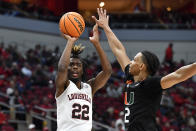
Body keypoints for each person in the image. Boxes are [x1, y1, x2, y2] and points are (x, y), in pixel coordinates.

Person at [92, 8, 196, 131]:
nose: (130, 62)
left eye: (134, 60)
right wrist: (106, 28)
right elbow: (118, 50)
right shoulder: (130, 77)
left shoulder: (151, 84)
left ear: (141, 67)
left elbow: (179, 75)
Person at [55, 24, 112, 131]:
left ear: (82, 70)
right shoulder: (63, 86)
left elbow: (107, 71)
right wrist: (70, 41)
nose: (75, 67)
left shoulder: (89, 87)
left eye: (78, 65)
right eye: (71, 65)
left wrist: (97, 44)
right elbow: (62, 68)